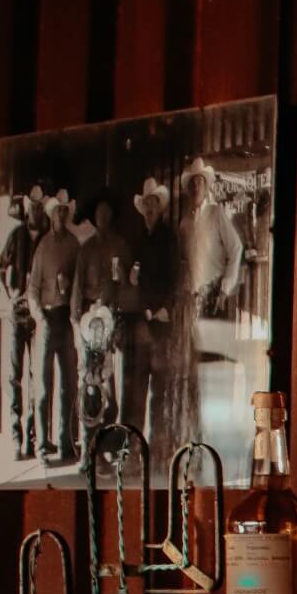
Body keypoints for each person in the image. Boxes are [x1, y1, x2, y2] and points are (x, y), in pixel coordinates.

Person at [161, 159, 241, 452]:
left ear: (207, 186)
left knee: (216, 368)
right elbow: (182, 264)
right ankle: (198, 435)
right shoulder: (184, 223)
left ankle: (219, 440)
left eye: (200, 181)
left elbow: (236, 251)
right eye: (192, 182)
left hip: (215, 301)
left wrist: (224, 288)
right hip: (192, 304)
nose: (196, 186)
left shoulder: (217, 213)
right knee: (195, 371)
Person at [27, 189, 80, 465]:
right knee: (44, 387)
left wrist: (72, 294)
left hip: (66, 318)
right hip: (46, 319)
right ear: (51, 215)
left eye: (64, 211)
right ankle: (42, 448)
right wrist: (39, 315)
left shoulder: (74, 244)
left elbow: (79, 283)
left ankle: (67, 443)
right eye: (57, 211)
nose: (61, 215)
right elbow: (32, 289)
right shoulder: (43, 247)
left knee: (69, 384)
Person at [71, 193, 132, 433]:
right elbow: (76, 286)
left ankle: (110, 440)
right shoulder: (86, 249)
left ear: (112, 217)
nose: (103, 218)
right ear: (95, 218)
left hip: (113, 319)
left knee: (111, 379)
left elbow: (128, 284)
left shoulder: (121, 245)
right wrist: (77, 322)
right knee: (89, 377)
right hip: (90, 323)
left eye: (107, 214)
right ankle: (88, 445)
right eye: (99, 214)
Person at [0, 186, 46, 459]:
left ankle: (33, 438)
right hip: (17, 315)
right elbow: (0, 266)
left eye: (41, 207)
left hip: (38, 317)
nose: (37, 210)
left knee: (35, 377)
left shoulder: (47, 239)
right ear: (28, 208)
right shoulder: (16, 236)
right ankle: (17, 438)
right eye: (34, 206)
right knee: (14, 377)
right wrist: (9, 295)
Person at [126, 176, 174, 439]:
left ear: (160, 207)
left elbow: (174, 279)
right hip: (142, 319)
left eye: (154, 204)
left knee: (159, 387)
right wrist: (132, 277)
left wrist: (162, 308)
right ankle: (136, 446)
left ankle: (157, 445)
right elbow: (134, 276)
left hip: (161, 321)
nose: (150, 209)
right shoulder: (140, 237)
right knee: (138, 387)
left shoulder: (168, 237)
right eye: (146, 204)